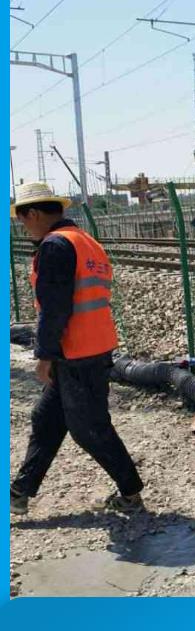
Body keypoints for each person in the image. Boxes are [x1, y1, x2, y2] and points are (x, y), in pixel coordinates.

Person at [10, 182, 144, 516]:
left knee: (89, 429)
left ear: (34, 214)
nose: (23, 227)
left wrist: (44, 355)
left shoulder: (54, 246)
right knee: (46, 419)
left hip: (76, 352)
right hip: (90, 347)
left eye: (22, 220)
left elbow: (54, 308)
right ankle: (18, 494)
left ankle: (131, 492)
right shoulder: (86, 242)